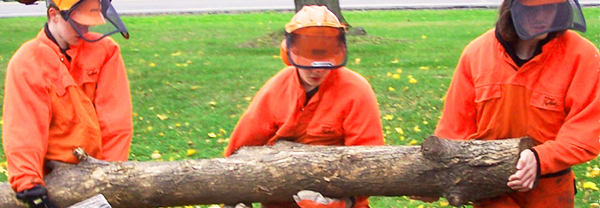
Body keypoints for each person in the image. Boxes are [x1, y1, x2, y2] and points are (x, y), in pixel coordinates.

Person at [416, 0, 600, 207]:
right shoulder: (477, 53)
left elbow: (584, 134)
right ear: (513, 8)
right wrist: (435, 176)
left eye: (548, 8)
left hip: (549, 188)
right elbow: (454, 128)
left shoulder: (581, 56)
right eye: (532, 9)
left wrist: (541, 159)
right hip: (489, 188)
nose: (541, 17)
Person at [223, 5, 384, 208]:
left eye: (323, 61)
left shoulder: (356, 91)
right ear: (290, 52)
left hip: (340, 197)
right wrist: (232, 196)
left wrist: (344, 201)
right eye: (307, 60)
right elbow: (241, 145)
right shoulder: (277, 89)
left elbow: (371, 161)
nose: (315, 71)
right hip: (281, 197)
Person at [3, 0, 132, 207]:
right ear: (54, 15)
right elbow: (24, 129)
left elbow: (116, 123)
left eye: (89, 22)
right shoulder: (28, 62)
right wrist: (29, 184)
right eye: (79, 23)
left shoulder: (106, 52)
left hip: (98, 172)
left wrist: (110, 175)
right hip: (53, 177)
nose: (86, 28)